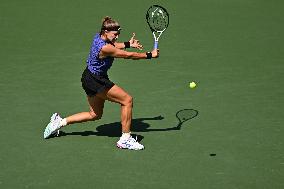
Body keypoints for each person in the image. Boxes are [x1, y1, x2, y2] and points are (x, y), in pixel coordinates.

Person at [43, 16, 159, 150]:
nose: (116, 37)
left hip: (87, 78)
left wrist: (128, 44)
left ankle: (59, 122)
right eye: (115, 34)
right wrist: (150, 54)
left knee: (94, 114)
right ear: (105, 32)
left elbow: (114, 45)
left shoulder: (98, 37)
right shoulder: (105, 48)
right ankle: (125, 139)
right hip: (96, 81)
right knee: (127, 100)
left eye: (118, 34)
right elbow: (127, 55)